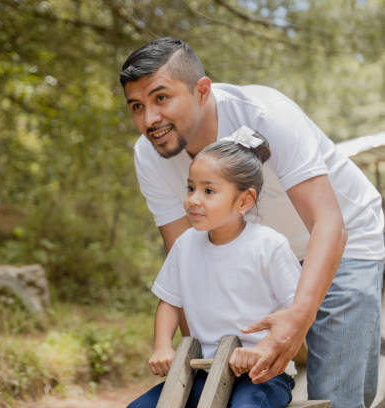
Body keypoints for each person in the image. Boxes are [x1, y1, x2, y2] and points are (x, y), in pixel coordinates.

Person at [120, 37, 384, 408]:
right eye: (136, 106)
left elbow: (328, 223)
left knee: (338, 396)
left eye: (161, 98)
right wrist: (206, 374)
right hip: (257, 255)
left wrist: (295, 322)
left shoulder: (266, 113)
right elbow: (186, 260)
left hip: (342, 238)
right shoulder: (148, 155)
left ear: (202, 90)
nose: (149, 120)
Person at [127, 129, 299, 408]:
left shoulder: (269, 245)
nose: (194, 199)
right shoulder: (185, 245)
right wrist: (162, 345)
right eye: (190, 187)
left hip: (262, 375)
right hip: (203, 373)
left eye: (208, 191)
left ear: (243, 201)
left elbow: (296, 310)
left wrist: (260, 350)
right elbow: (169, 302)